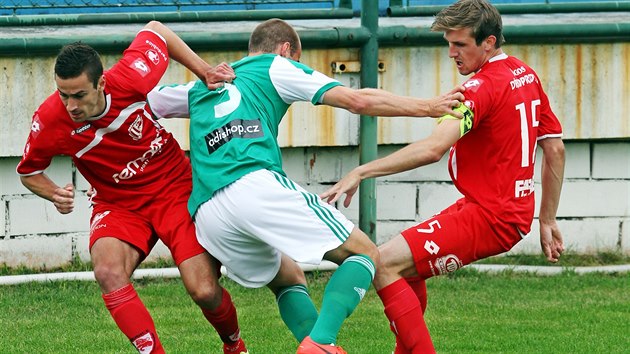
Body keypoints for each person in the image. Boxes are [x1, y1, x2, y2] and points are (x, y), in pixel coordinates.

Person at [147, 18, 464, 354]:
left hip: (208, 213)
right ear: (287, 51)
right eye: (297, 60)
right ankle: (321, 342)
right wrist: (427, 107)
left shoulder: (199, 86)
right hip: (253, 184)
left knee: (288, 279)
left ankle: (316, 347)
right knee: (365, 253)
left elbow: (147, 102)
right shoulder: (276, 66)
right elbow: (357, 101)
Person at [320, 0, 566, 352]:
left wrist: (363, 170)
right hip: (500, 210)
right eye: (449, 43)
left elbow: (433, 148)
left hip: (490, 216)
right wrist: (547, 218)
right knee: (403, 267)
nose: (451, 53)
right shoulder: (524, 74)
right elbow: (554, 149)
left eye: (460, 44)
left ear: (489, 42)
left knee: (382, 263)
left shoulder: (479, 91)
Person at [16, 21, 248, 354]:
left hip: (174, 187)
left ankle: (234, 345)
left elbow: (157, 30)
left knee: (204, 290)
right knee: (107, 271)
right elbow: (30, 171)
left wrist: (204, 71)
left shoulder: (131, 77)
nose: (71, 106)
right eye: (63, 95)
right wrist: (53, 192)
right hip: (117, 203)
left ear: (101, 83)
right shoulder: (51, 119)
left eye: (79, 95)